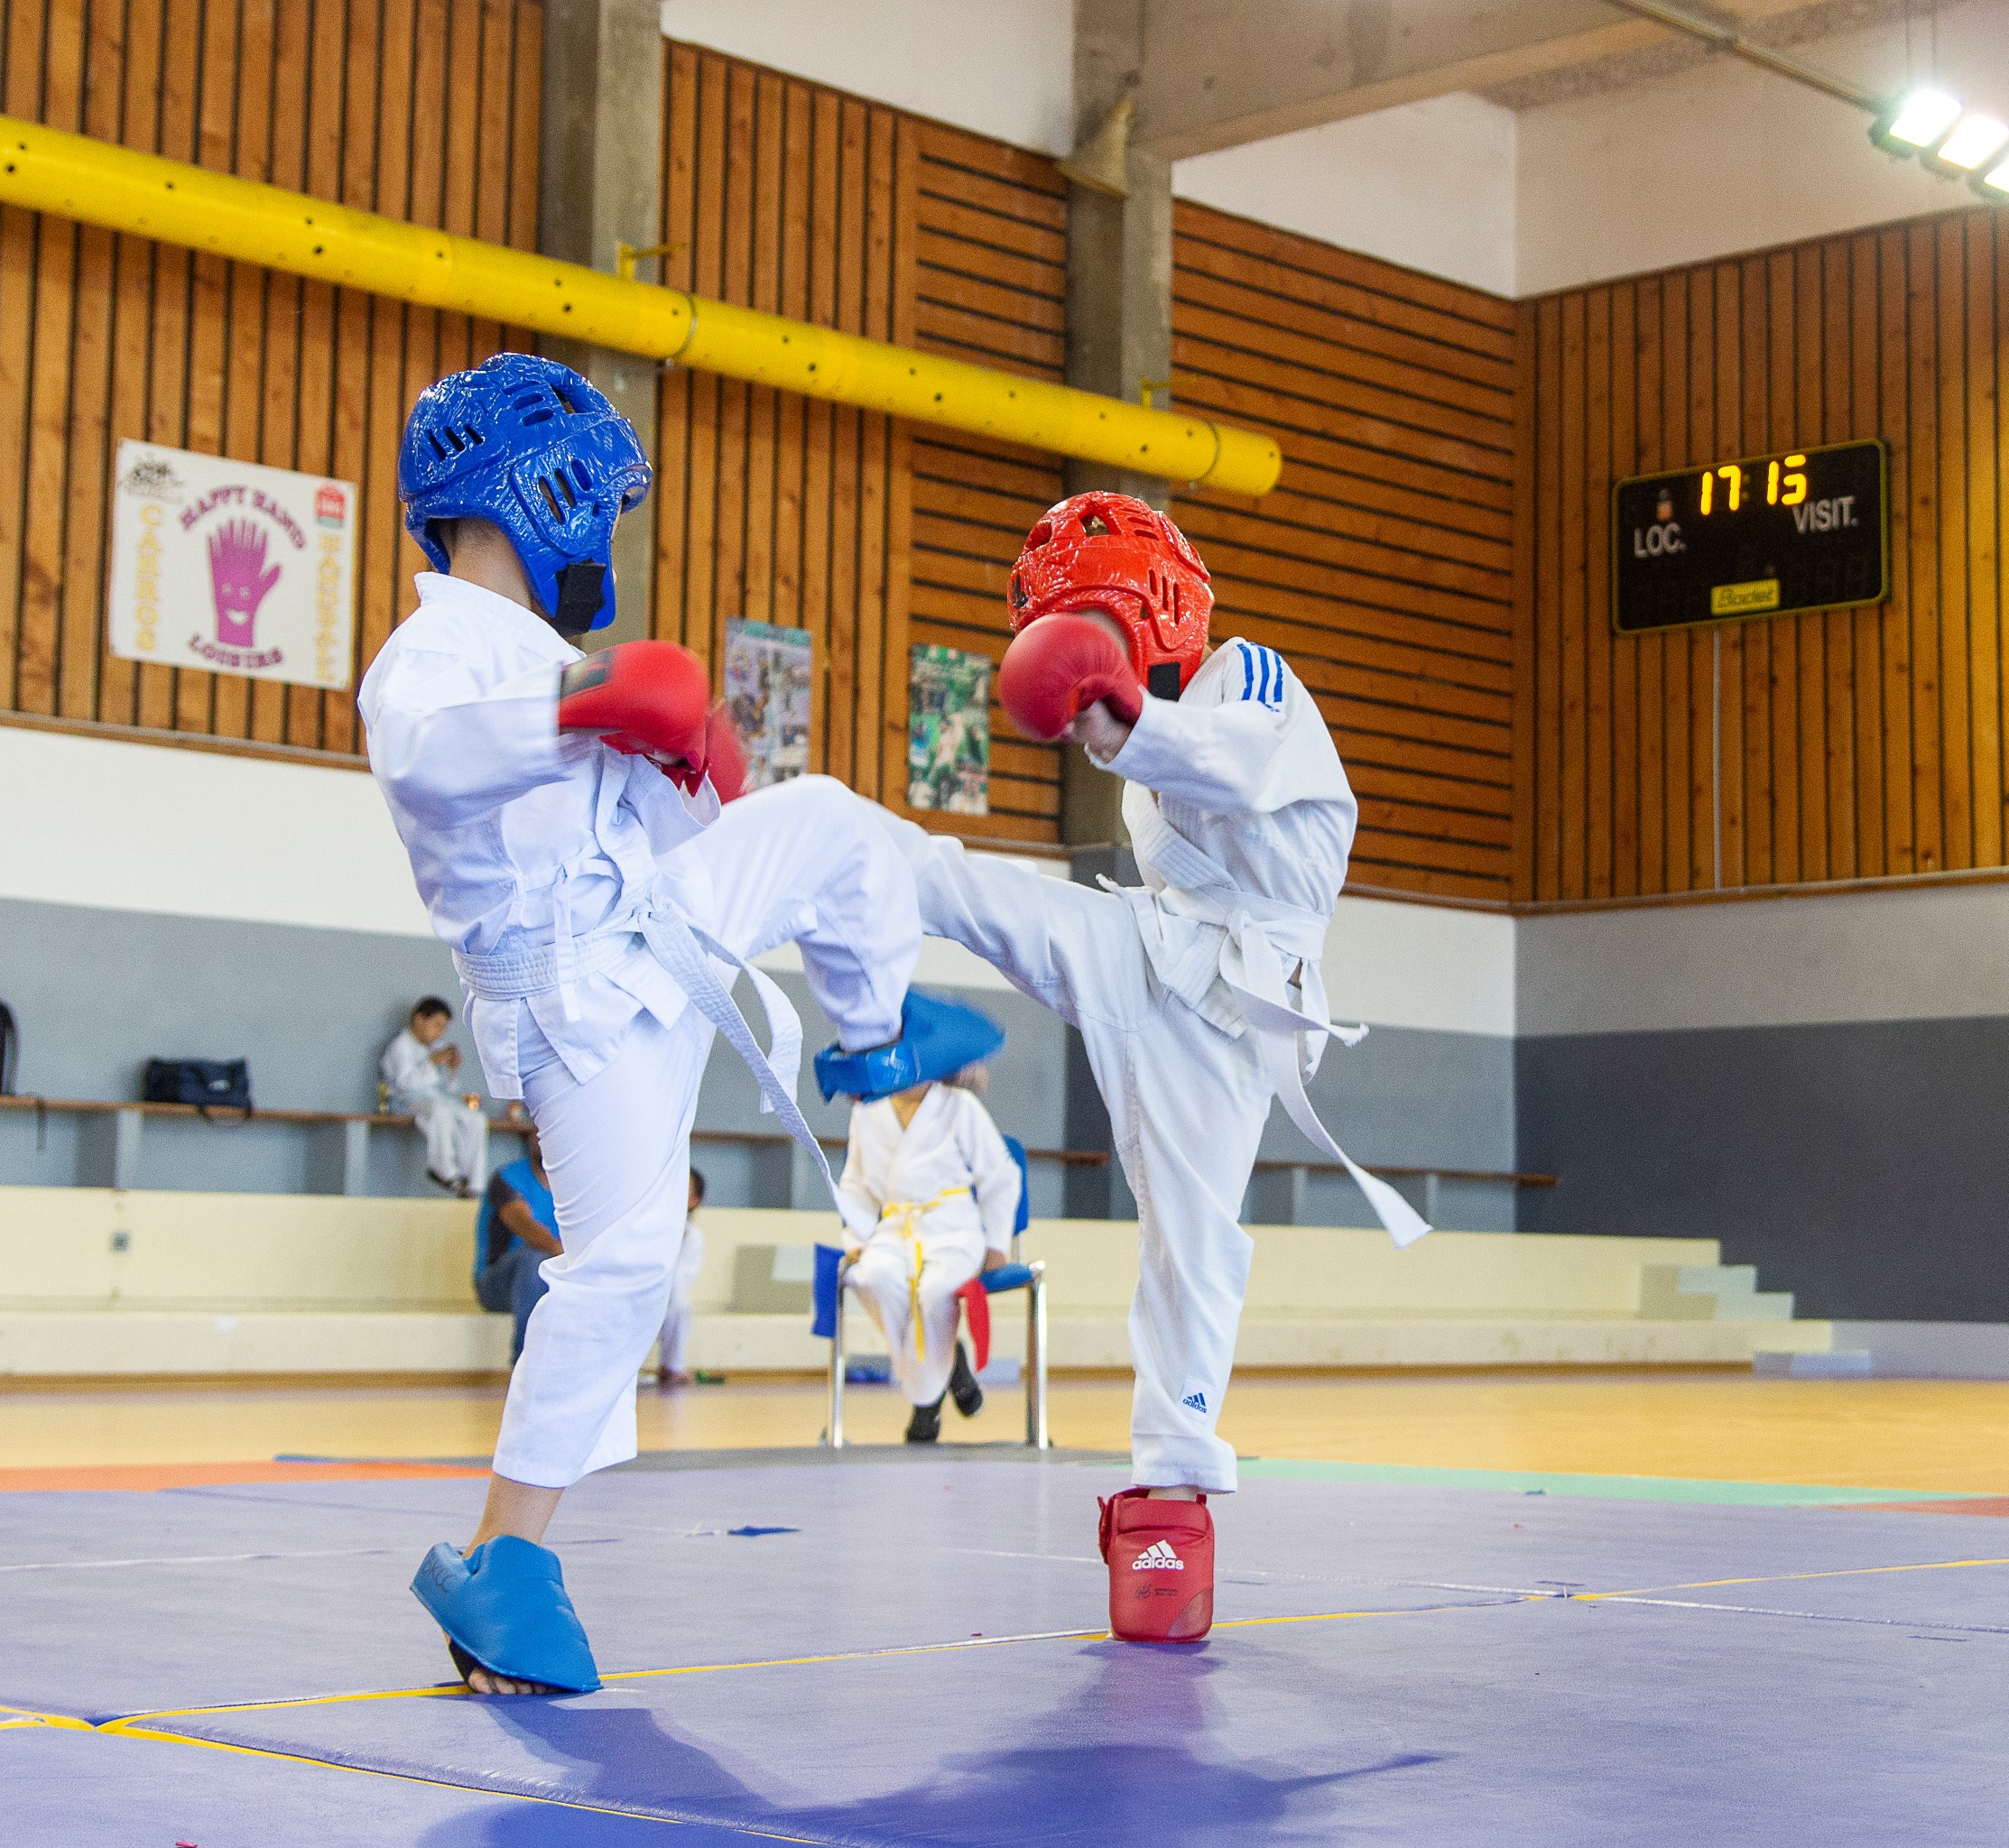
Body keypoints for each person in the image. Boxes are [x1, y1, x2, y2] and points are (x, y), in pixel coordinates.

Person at [362, 352, 938, 1698]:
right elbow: (428, 766)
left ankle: (878, 1051)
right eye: (597, 504)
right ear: (534, 493)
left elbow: (675, 829)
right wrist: (589, 704)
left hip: (661, 931)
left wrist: (691, 763)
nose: (607, 538)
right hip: (571, 1000)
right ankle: (504, 1559)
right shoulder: (435, 654)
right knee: (625, 1265)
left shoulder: (561, 661)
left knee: (831, 822)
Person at [870, 491, 1429, 1645]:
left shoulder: (1245, 676)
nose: (1083, 663)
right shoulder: (1134, 759)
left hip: (1235, 1003)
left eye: (1093, 628)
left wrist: (1123, 715)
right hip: (1152, 949)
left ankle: (1168, 1506)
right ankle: (799, 848)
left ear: (1153, 610)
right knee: (965, 888)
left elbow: (1242, 767)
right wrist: (1120, 722)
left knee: (1189, 1247)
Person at [838, 1005, 1022, 1443]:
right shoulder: (866, 1112)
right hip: (893, 1229)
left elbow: (1001, 1175)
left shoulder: (960, 1107)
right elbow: (855, 1184)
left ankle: (924, 1407)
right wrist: (856, 1237)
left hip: (953, 1227)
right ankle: (948, 1363)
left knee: (936, 1291)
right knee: (871, 1278)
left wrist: (997, 1244)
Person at [381, 997, 488, 1197]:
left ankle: (473, 1182)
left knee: (475, 1118)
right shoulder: (400, 1046)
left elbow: (446, 1089)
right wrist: (431, 1062)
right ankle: (445, 1172)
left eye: (443, 1028)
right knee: (440, 1112)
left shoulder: (435, 1047)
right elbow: (405, 1083)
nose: (440, 1032)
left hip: (435, 1100)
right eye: (436, 1025)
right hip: (405, 1101)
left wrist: (451, 1069)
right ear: (419, 1019)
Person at [475, 1126, 561, 1363]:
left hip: (556, 1278)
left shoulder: (573, 1185)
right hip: (497, 1284)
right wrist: (569, 1256)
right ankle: (525, 1364)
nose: (543, 1138)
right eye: (537, 1131)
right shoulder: (508, 1178)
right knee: (534, 1259)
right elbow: (527, 1228)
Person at [654, 1168, 708, 1388]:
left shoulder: (692, 1237)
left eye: (685, 1188)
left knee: (681, 1305)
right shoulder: (649, 1223)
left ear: (695, 1200)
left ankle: (672, 1367)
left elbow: (679, 1282)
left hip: (664, 1296)